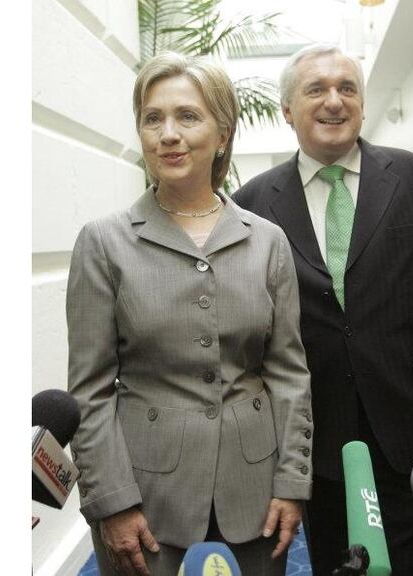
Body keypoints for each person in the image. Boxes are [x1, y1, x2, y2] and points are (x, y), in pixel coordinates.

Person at [233, 44, 413, 575]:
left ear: (363, 105)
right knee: (338, 558)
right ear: (287, 110)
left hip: (410, 411)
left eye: (347, 88)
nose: (335, 101)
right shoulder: (253, 202)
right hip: (315, 426)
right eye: (317, 89)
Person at [66, 52, 313, 576]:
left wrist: (293, 481)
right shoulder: (104, 242)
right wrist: (111, 500)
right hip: (146, 495)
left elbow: (289, 374)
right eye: (152, 119)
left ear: (223, 134)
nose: (168, 135)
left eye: (187, 116)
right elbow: (89, 391)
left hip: (256, 490)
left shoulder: (267, 241)